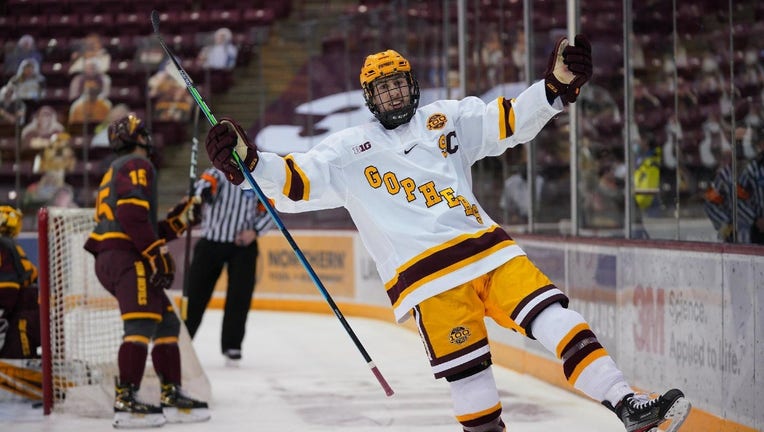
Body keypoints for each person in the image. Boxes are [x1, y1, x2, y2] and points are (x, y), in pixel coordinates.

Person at [204, 38, 692, 432]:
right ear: (369, 99)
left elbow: (507, 122)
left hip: (489, 251)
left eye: (398, 84)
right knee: (471, 380)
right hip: (426, 280)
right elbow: (295, 178)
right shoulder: (348, 150)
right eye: (383, 89)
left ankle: (626, 402)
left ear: (412, 85)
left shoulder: (448, 119)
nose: (393, 94)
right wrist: (249, 159)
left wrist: (554, 87)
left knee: (556, 317)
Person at [83, 113, 209, 428]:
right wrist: (155, 252)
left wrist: (180, 219)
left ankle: (170, 392)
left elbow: (142, 223)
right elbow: (131, 215)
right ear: (137, 138)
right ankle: (126, 399)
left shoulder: (117, 168)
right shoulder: (138, 164)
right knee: (140, 324)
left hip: (119, 253)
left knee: (166, 324)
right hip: (126, 256)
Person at [184, 167, 274, 365]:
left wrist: (255, 231)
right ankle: (183, 341)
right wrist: (200, 195)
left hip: (243, 245)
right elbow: (204, 184)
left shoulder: (256, 176)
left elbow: (269, 206)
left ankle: (232, 345)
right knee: (196, 294)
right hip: (211, 241)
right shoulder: (217, 172)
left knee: (239, 296)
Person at [0, 205, 41, 360]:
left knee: (15, 356)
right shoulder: (10, 245)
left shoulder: (2, 245)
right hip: (30, 311)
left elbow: (7, 289)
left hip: (23, 314)